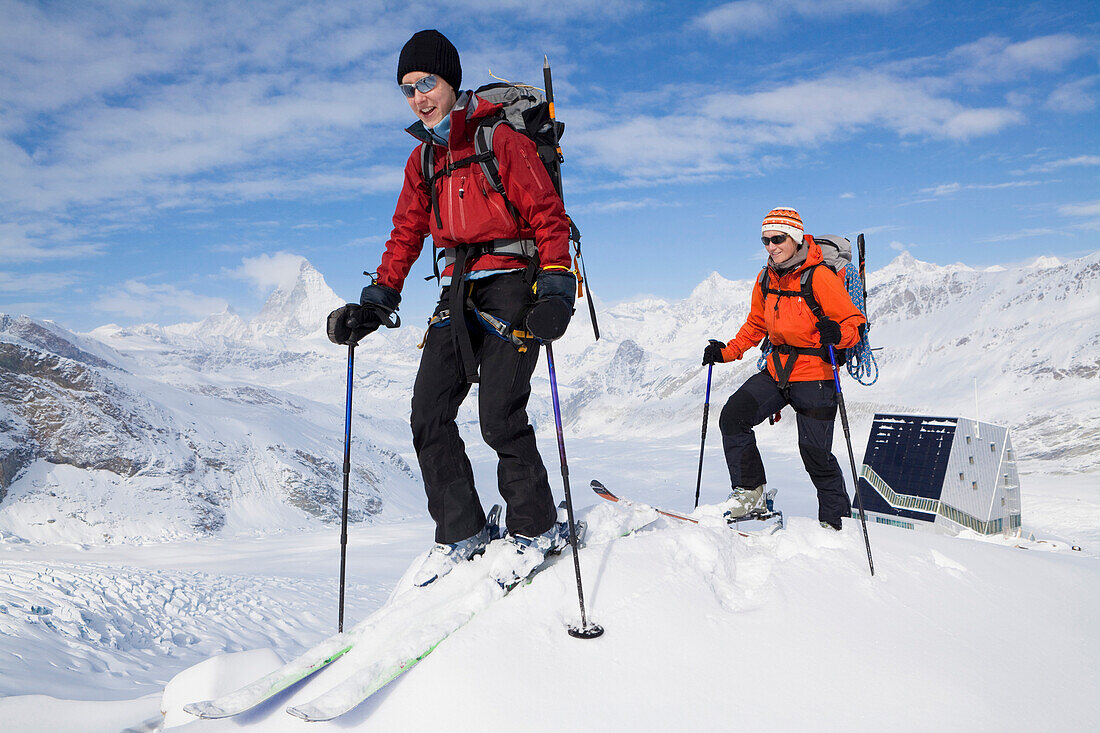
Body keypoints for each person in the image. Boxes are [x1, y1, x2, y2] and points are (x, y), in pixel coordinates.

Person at [326, 30, 577, 588]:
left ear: (451, 81)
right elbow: (406, 233)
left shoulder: (500, 139)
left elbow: (547, 215)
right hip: (457, 290)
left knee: (499, 415)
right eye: (408, 89)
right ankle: (462, 532)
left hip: (513, 281)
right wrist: (376, 302)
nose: (419, 97)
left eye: (428, 83)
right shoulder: (422, 160)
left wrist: (558, 285)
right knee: (428, 413)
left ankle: (536, 529)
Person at [702, 208, 865, 530]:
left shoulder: (819, 276)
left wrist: (839, 334)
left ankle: (837, 524)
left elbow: (854, 324)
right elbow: (756, 324)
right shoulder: (766, 277)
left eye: (777, 239)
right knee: (733, 418)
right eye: (765, 240)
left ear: (795, 238)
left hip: (816, 374)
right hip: (777, 370)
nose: (771, 246)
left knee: (815, 454)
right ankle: (750, 494)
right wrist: (727, 352)